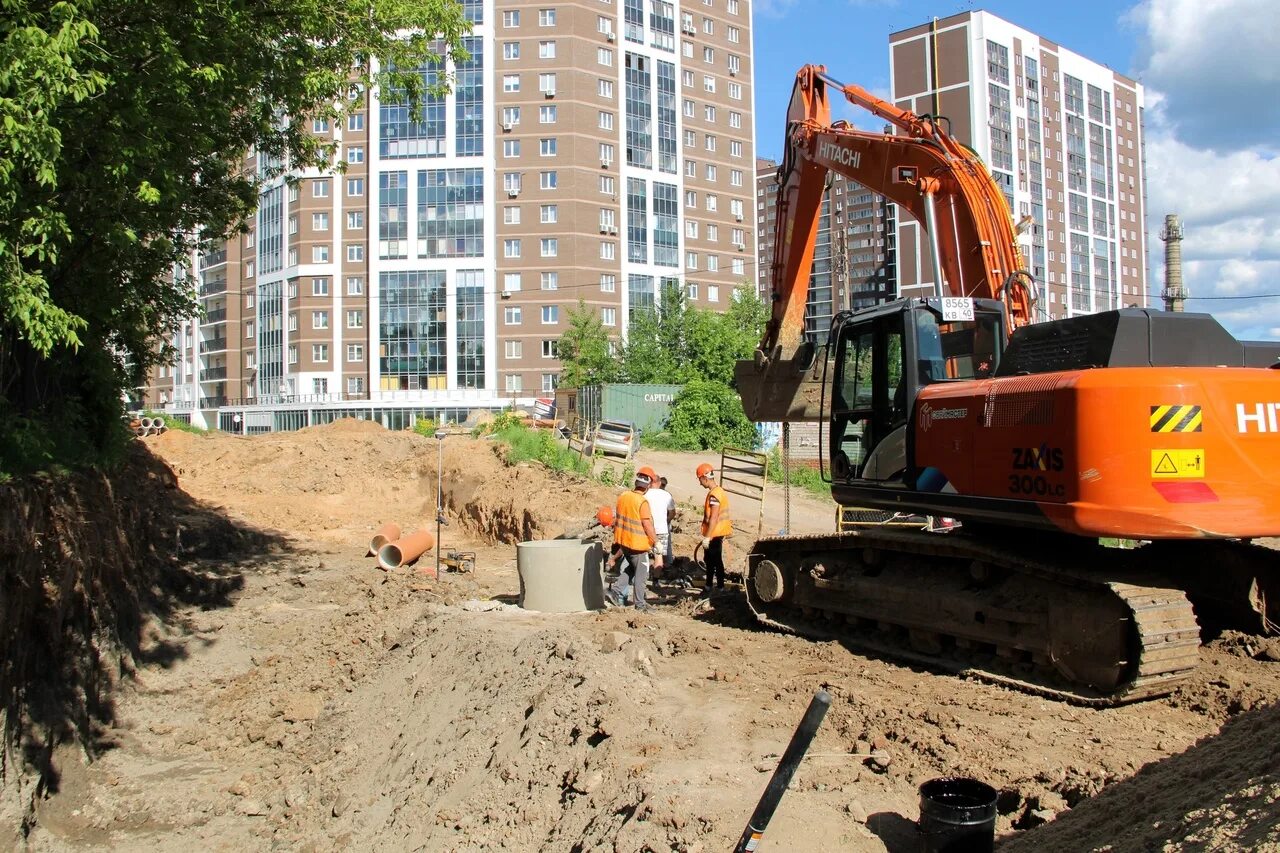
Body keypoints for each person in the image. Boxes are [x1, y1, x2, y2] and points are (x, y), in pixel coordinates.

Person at [608, 468, 658, 610]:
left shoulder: (624, 496)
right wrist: (656, 541)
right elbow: (647, 525)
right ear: (648, 485)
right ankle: (640, 605)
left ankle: (616, 591)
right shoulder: (642, 502)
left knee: (631, 568)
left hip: (624, 542)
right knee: (641, 574)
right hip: (638, 545)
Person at [696, 462, 732, 591]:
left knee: (714, 561)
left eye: (700, 479)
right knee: (712, 560)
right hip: (717, 533)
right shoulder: (719, 491)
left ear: (705, 478)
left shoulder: (714, 495)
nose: (700, 483)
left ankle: (716, 586)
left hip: (714, 533)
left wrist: (708, 536)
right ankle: (710, 585)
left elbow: (714, 517)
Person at [644, 472, 675, 576]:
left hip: (646, 529)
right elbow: (672, 513)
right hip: (662, 530)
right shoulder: (667, 495)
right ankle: (656, 580)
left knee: (643, 554)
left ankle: (643, 578)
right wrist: (665, 522)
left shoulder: (645, 494)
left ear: (650, 483)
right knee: (659, 555)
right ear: (659, 483)